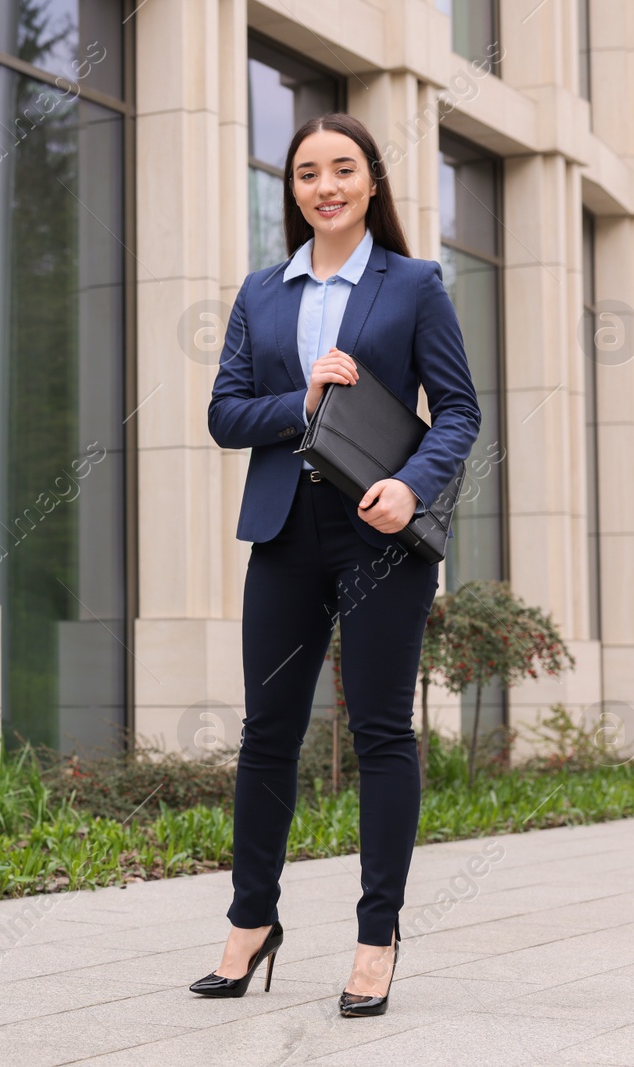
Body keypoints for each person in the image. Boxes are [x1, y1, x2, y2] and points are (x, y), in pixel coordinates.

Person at [190, 113, 481, 1015]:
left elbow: (461, 411)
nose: (325, 185)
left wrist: (413, 485)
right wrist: (302, 398)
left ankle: (376, 935)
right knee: (267, 733)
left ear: (372, 182)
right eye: (307, 171)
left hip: (379, 534)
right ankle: (250, 924)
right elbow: (225, 414)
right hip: (283, 531)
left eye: (343, 169)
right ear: (293, 189)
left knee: (382, 733)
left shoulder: (416, 284)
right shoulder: (261, 292)